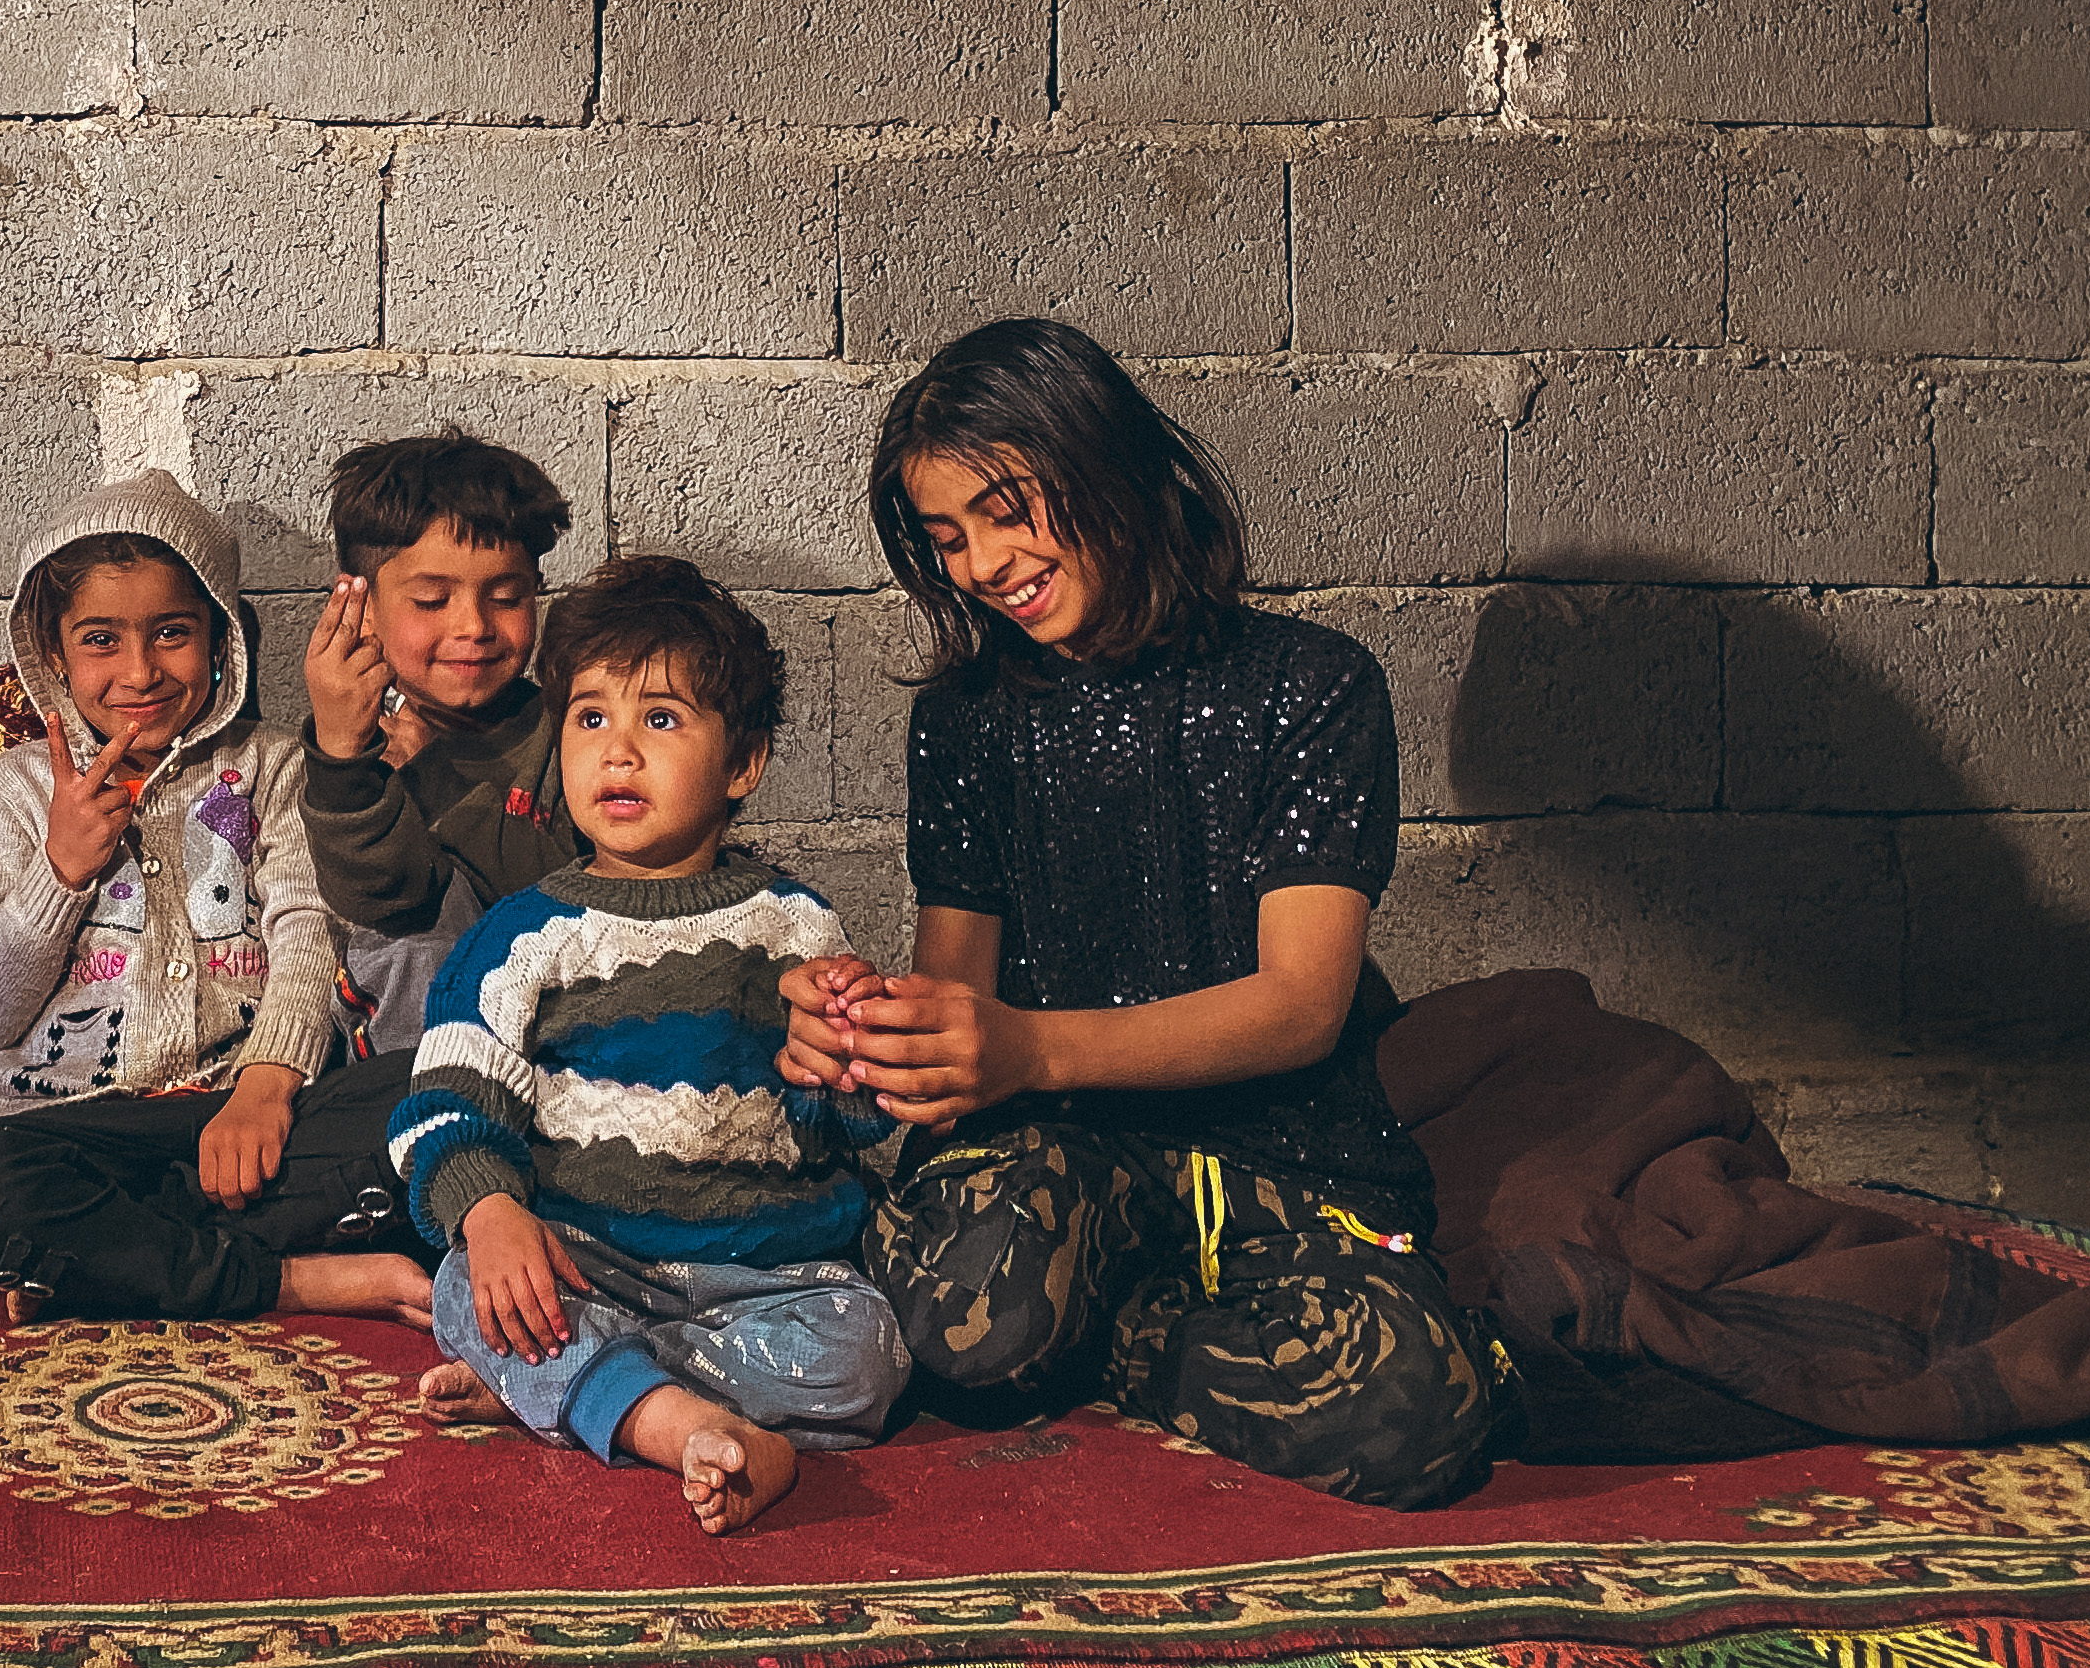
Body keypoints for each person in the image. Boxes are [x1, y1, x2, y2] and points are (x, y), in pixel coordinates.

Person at [784, 319, 1500, 1509]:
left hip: (1285, 1160)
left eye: (1008, 509)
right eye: (949, 538)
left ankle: (1132, 1330)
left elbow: (1301, 1008)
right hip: (1058, 1150)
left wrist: (1031, 1046)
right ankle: (1100, 1315)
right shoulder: (966, 721)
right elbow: (957, 1005)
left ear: (1105, 461)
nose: (979, 564)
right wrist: (871, 1039)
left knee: (1413, 1419)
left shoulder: (1313, 686)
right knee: (955, 1318)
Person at [391, 557, 904, 1536]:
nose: (616, 752)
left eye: (660, 720)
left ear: (742, 762)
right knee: (469, 1287)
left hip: (770, 1279)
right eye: (590, 719)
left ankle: (600, 1397)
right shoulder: (524, 935)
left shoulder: (793, 925)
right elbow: (450, 1097)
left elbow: (847, 1118)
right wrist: (492, 1210)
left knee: (868, 1350)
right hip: (595, 1261)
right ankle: (662, 1414)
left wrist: (841, 1059)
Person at [0, 470, 436, 1323]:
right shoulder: (16, 789)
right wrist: (61, 874)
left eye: (171, 634)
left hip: (250, 1120)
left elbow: (308, 932)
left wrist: (264, 1091)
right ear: (52, 655)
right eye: (99, 640)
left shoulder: (275, 766)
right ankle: (291, 1279)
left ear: (220, 639)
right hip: (68, 1135)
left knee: (440, 1089)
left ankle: (96, 1264)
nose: (140, 671)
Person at [299, 432, 584, 1049]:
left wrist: (437, 777)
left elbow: (578, 898)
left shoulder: (570, 731)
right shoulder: (355, 747)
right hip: (415, 1055)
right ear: (362, 605)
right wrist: (342, 753)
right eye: (432, 600)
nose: (474, 626)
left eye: (506, 597)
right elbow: (383, 894)